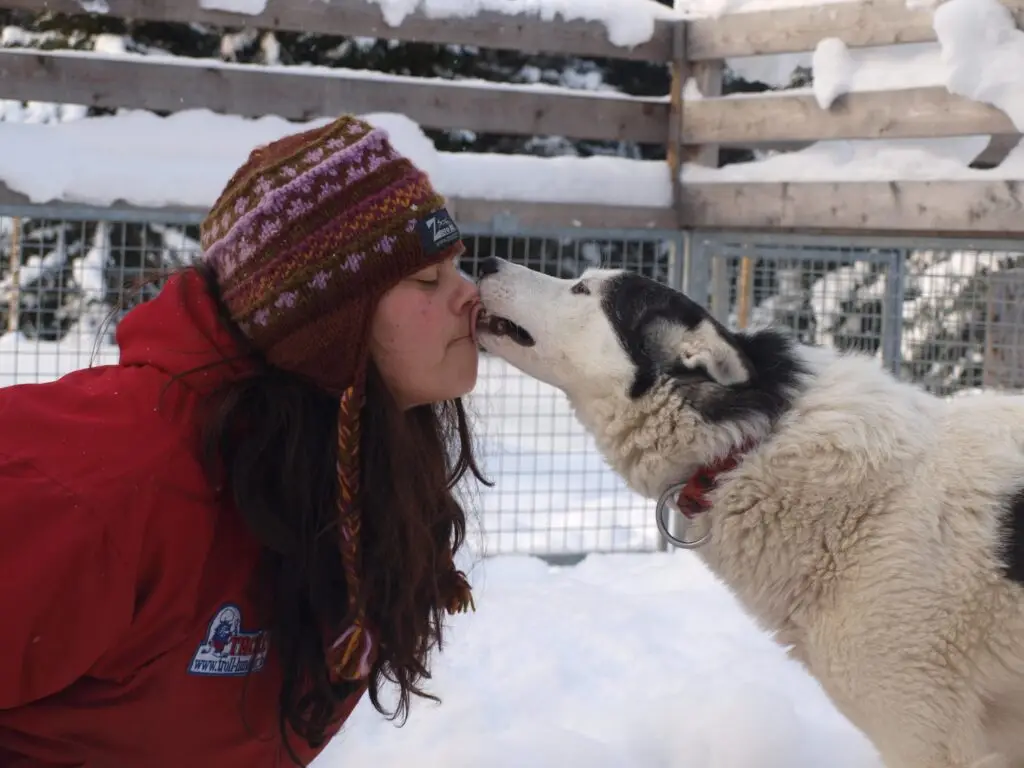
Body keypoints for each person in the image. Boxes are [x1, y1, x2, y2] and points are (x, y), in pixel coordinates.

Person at [0, 114, 490, 767]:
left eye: (457, 268)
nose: (470, 297)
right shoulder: (107, 487)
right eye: (427, 280)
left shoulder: (341, 467)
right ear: (321, 322)